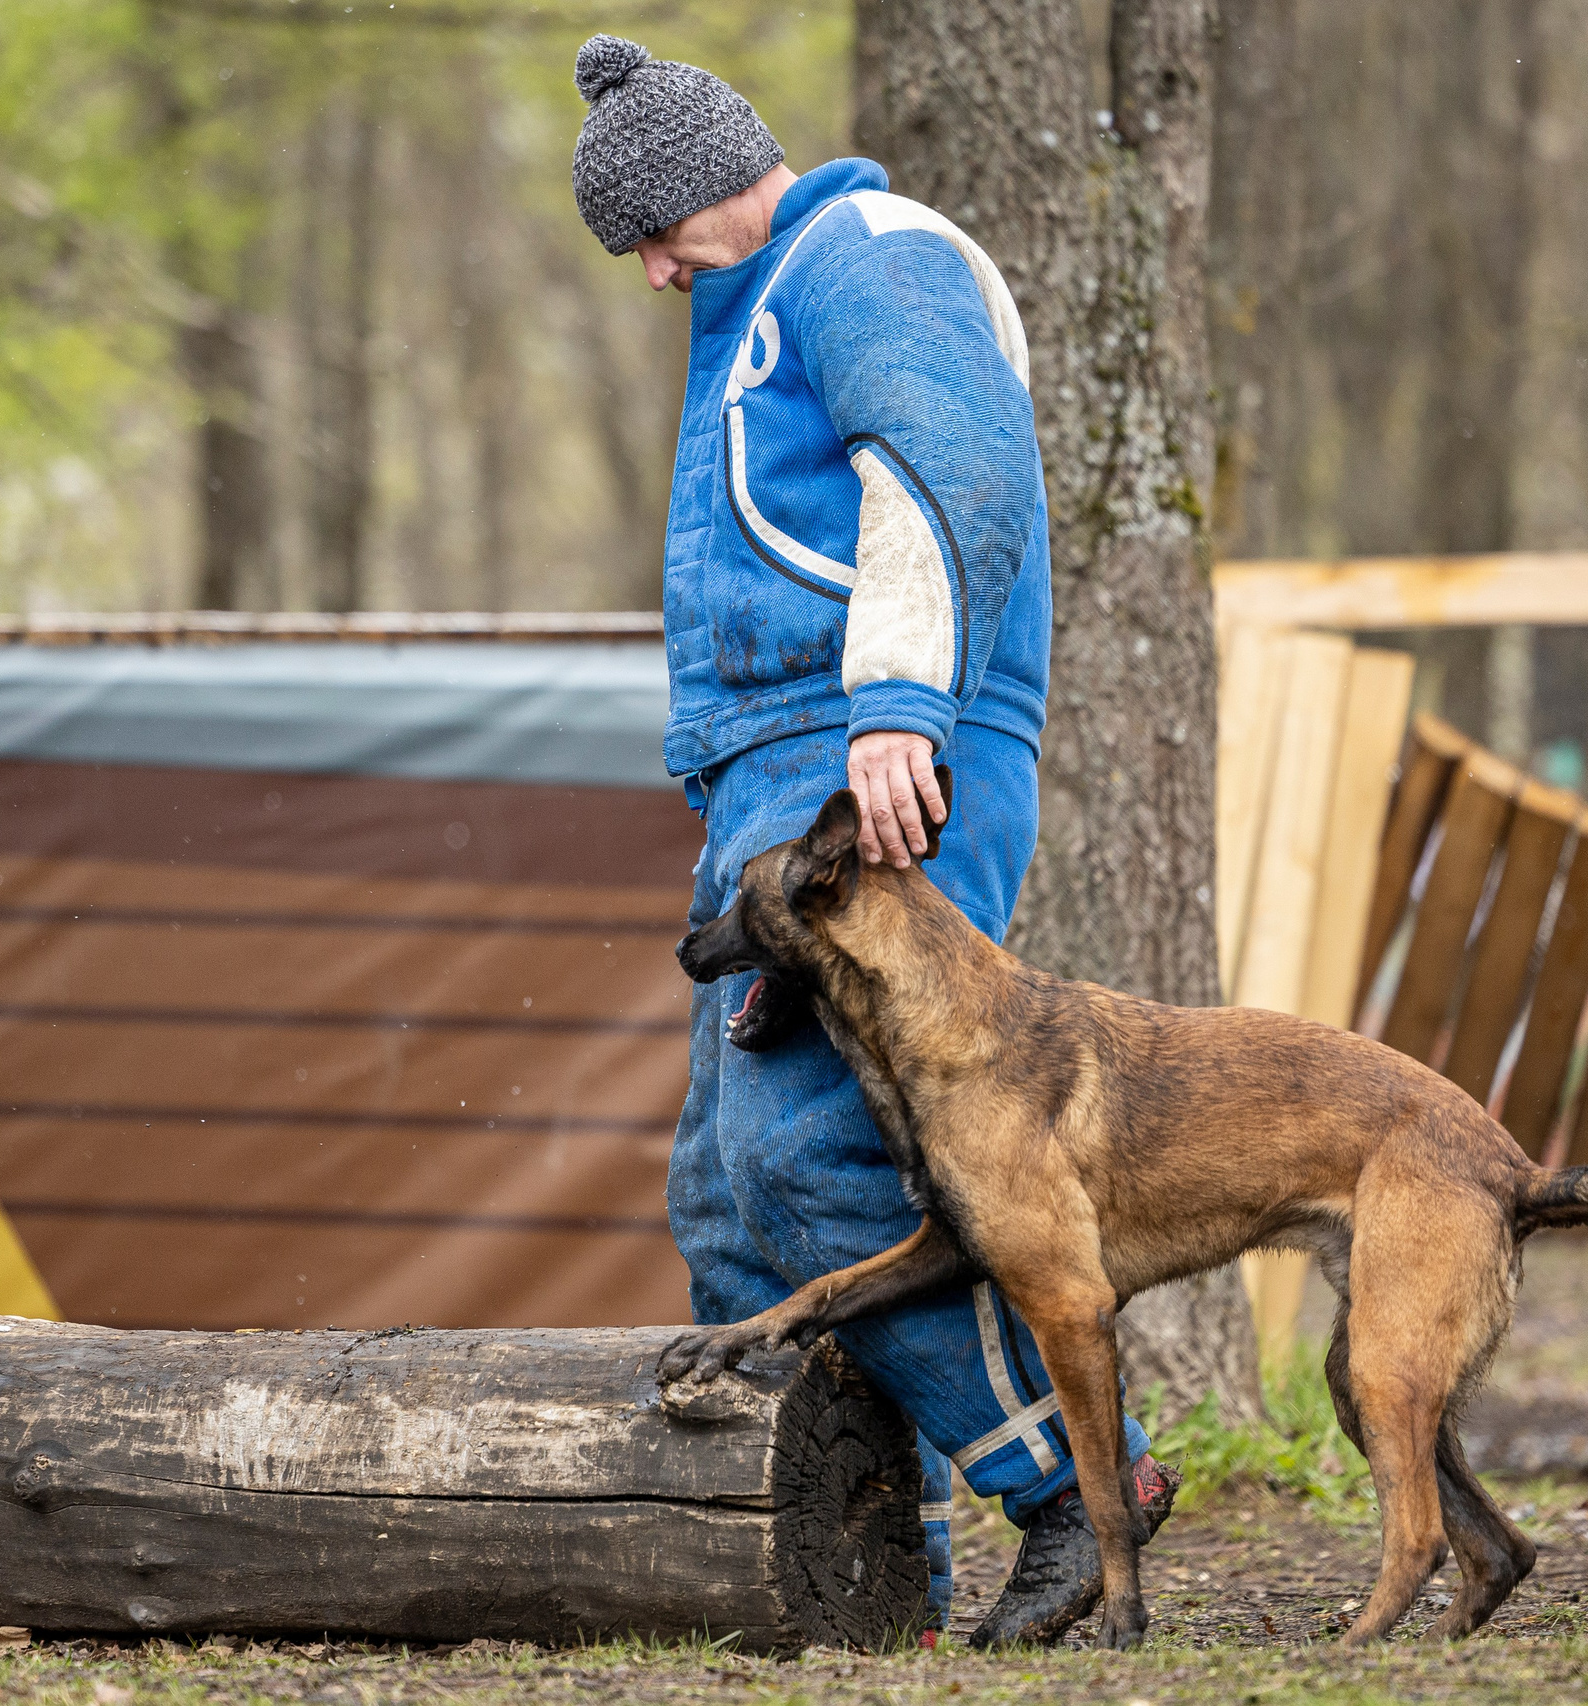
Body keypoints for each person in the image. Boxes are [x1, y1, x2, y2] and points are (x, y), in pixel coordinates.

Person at [568, 35, 1176, 1646]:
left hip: (873, 774)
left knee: (812, 1151)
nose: (645, 273)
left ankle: (1069, 1491)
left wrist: (898, 705)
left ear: (707, 182)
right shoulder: (756, 303)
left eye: (649, 234)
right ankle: (840, 1574)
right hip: (776, 783)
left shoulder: (867, 254)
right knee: (722, 1188)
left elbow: (944, 468)